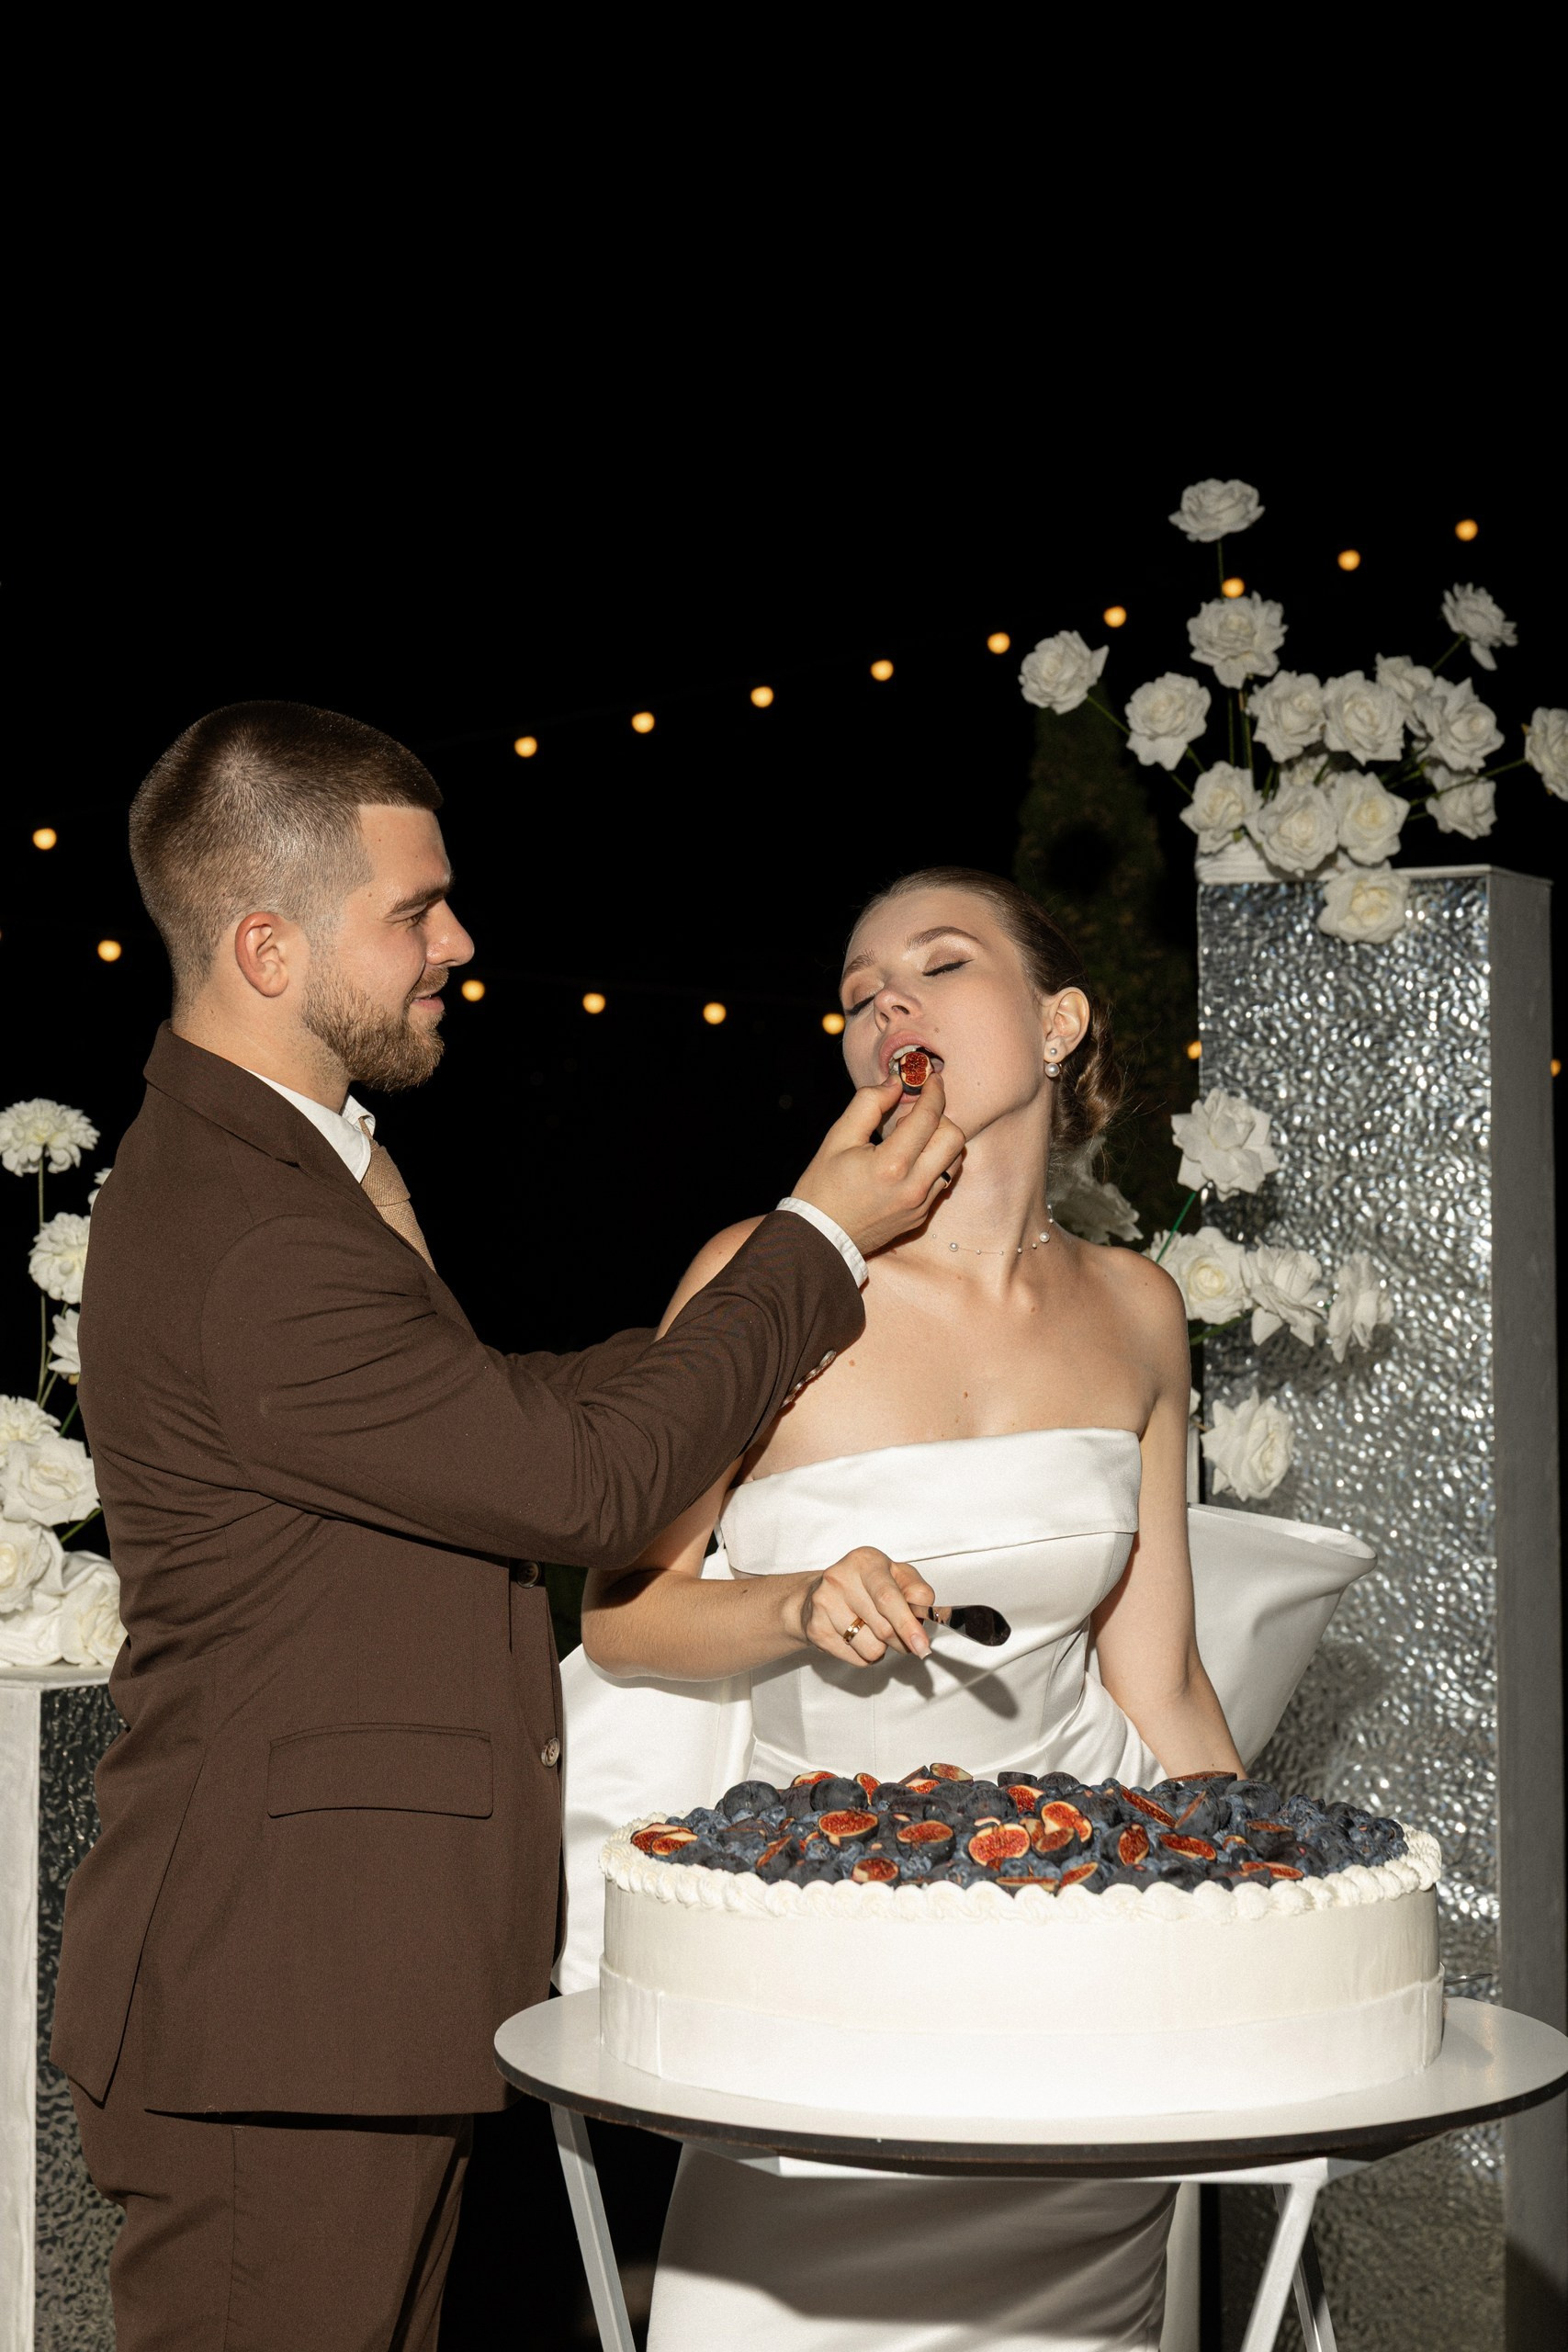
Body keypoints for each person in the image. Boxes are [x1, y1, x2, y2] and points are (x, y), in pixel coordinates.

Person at [53, 701, 963, 2352]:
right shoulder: (252, 1232)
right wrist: (818, 1241)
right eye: (414, 910)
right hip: (282, 2006)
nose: (459, 943)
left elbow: (500, 1418)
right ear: (267, 947)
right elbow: (580, 1488)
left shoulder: (278, 1175)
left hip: (342, 2005)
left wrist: (732, 1325)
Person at [574, 865, 1245, 2352]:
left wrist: (1272, 1918)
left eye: (940, 965)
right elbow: (622, 1619)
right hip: (817, 1968)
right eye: (860, 992)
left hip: (1078, 1977)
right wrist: (794, 1604)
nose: (890, 1004)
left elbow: (1162, 1684)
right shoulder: (768, 1281)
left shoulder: (1140, 1309)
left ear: (1059, 1023)